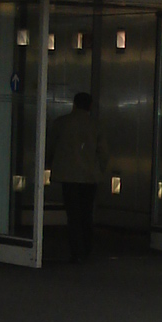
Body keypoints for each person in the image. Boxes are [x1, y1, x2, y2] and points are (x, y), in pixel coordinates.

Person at [47, 91, 105, 263]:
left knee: (73, 215)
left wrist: (51, 165)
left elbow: (51, 147)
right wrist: (98, 169)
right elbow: (103, 153)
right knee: (86, 213)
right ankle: (86, 249)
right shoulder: (96, 125)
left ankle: (76, 251)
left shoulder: (61, 123)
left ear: (74, 104)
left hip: (69, 176)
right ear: (90, 106)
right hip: (89, 177)